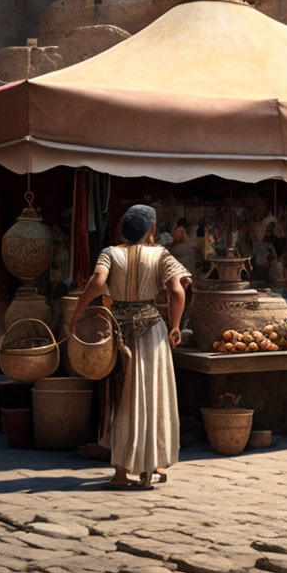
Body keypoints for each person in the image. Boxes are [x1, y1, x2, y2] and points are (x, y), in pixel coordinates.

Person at [72, 204, 191, 490]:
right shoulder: (161, 254)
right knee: (151, 397)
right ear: (151, 230)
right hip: (153, 331)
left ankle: (121, 471)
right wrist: (175, 325)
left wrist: (78, 311)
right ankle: (150, 467)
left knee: (121, 399)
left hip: (118, 332)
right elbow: (177, 289)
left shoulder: (110, 253)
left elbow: (98, 281)